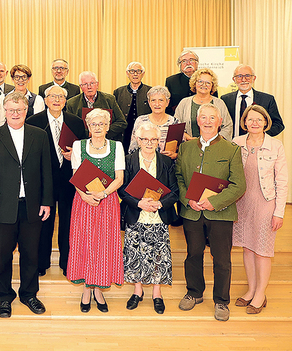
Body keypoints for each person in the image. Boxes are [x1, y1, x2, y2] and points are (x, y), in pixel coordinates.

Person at [0, 91, 53, 318]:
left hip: (32, 205)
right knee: (3, 255)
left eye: (19, 110)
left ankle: (29, 294)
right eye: (10, 110)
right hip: (3, 207)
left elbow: (46, 172)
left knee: (31, 254)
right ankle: (4, 297)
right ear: (4, 111)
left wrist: (47, 202)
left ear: (26, 111)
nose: (14, 113)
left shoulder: (39, 135)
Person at [175, 103, 246, 321]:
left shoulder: (232, 149)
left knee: (222, 259)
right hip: (192, 212)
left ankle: (221, 301)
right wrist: (189, 199)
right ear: (197, 121)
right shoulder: (185, 148)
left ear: (219, 121)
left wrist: (214, 202)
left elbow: (238, 185)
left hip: (220, 214)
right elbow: (178, 177)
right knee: (193, 255)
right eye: (203, 117)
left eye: (211, 118)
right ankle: (194, 292)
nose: (207, 121)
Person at [117, 122, 179, 314]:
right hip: (136, 214)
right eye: (145, 139)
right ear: (138, 139)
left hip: (158, 216)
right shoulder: (128, 160)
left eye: (153, 139)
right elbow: (122, 188)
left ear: (158, 141)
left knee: (159, 255)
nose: (149, 143)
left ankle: (157, 293)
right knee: (135, 253)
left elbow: (175, 191)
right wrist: (138, 203)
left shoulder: (167, 162)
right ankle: (137, 291)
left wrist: (160, 203)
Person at [67, 108, 125, 314]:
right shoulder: (78, 146)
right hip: (83, 201)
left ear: (108, 126)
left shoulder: (117, 147)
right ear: (88, 126)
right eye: (94, 124)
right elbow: (75, 175)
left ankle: (99, 289)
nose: (98, 127)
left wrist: (104, 194)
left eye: (102, 124)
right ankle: (86, 288)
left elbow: (120, 178)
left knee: (104, 245)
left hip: (108, 203)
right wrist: (85, 195)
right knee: (84, 243)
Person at [26, 85, 87, 277]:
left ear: (65, 100)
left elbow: (85, 151)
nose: (56, 100)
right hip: (44, 181)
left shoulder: (76, 122)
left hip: (69, 181)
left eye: (60, 96)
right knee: (44, 222)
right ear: (45, 100)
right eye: (52, 96)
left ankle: (67, 262)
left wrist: (74, 156)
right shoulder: (34, 122)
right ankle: (41, 263)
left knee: (69, 222)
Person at [232, 105, 287, 314]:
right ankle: (251, 289)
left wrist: (279, 212)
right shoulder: (236, 143)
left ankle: (260, 294)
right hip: (242, 203)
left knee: (262, 251)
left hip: (266, 203)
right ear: (244, 122)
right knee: (247, 247)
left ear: (266, 122)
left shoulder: (276, 145)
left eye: (259, 119)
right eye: (250, 119)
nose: (254, 123)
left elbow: (282, 181)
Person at [221, 64, 285, 138]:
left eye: (247, 76)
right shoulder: (225, 99)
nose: (244, 80)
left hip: (258, 145)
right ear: (234, 80)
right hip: (232, 145)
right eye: (239, 76)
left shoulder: (267, 99)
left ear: (254, 78)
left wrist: (261, 135)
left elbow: (278, 125)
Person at [66, 71, 127, 142]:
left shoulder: (110, 99)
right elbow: (70, 127)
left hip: (107, 141)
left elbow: (122, 122)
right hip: (83, 142)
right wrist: (88, 134)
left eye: (92, 83)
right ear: (81, 87)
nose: (89, 87)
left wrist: (104, 131)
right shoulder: (72, 103)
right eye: (85, 84)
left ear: (97, 85)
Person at [174, 68, 233, 141]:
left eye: (208, 82)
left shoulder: (219, 103)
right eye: (200, 81)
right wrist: (188, 138)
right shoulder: (184, 103)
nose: (204, 85)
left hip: (214, 147)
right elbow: (176, 127)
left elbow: (228, 126)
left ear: (212, 85)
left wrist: (216, 140)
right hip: (189, 146)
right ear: (194, 83)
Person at [128, 86, 180, 159]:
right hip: (144, 166)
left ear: (167, 102)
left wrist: (175, 155)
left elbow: (182, 151)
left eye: (161, 100)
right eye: (153, 100)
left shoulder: (175, 122)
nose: (157, 104)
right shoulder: (140, 121)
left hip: (169, 167)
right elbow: (132, 150)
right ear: (149, 102)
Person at [113, 62, 152, 151]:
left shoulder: (150, 91)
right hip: (124, 132)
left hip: (144, 132)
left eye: (138, 71)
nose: (135, 74)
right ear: (127, 74)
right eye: (132, 71)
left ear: (143, 74)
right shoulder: (118, 92)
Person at [165, 50, 217, 115]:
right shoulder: (171, 81)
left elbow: (214, 100)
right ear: (179, 65)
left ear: (197, 63)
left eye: (191, 60)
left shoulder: (207, 78)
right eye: (184, 61)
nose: (188, 63)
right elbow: (167, 105)